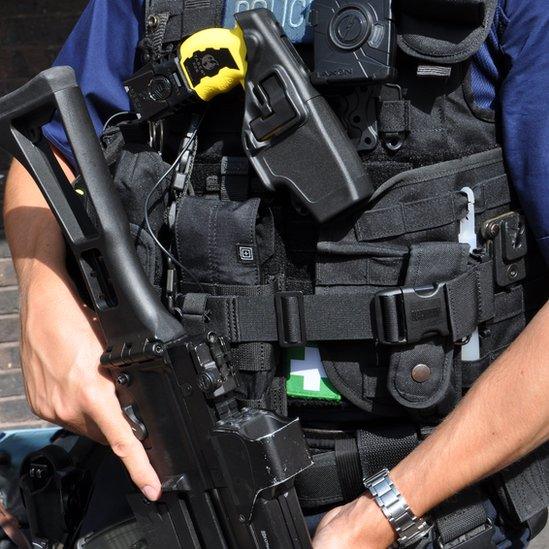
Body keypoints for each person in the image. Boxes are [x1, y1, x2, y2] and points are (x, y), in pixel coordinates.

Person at [3, 0, 548, 547]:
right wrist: (43, 295)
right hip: (168, 488)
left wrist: (383, 513)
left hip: (416, 508)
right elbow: (50, 155)